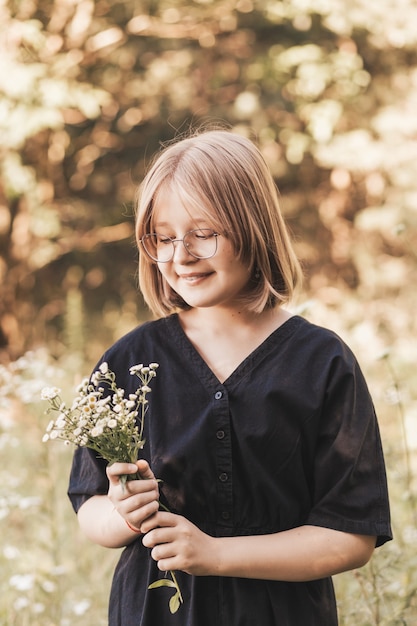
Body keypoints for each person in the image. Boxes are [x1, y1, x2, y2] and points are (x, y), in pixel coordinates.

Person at [68, 129, 392, 626]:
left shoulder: (323, 362)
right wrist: (123, 514)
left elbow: (350, 538)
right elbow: (90, 505)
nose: (180, 256)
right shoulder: (127, 363)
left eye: (203, 233)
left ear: (254, 226)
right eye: (163, 236)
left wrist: (215, 554)